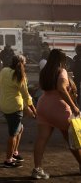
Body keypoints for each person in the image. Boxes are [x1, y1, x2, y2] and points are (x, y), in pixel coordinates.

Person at [32, 49, 81, 179]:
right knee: (73, 140)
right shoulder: (62, 71)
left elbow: (42, 86)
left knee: (41, 139)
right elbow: (61, 88)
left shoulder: (45, 71)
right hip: (59, 108)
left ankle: (37, 169)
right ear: (62, 60)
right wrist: (74, 106)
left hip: (43, 106)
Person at [0, 55, 37, 168]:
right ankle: (8, 160)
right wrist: (34, 110)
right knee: (13, 134)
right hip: (15, 108)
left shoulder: (4, 71)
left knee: (20, 129)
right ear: (23, 64)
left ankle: (14, 153)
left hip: (4, 105)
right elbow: (27, 96)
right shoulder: (20, 76)